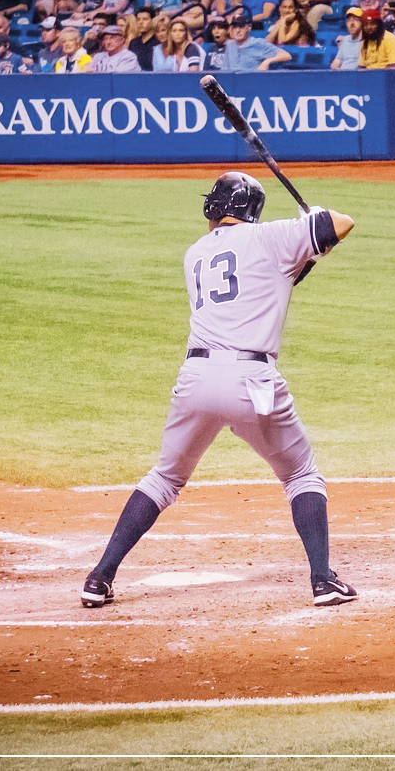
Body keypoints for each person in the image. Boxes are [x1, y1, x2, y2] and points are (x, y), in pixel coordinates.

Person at [81, 173, 359, 610]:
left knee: (165, 477)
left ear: (212, 209)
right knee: (301, 474)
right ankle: (323, 579)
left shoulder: (195, 253)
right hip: (252, 381)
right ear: (255, 212)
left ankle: (100, 577)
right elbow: (342, 223)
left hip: (195, 379)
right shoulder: (271, 238)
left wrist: (311, 242)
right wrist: (316, 220)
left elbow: (275, 280)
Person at [223, 10, 291, 70]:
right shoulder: (229, 45)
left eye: (241, 26)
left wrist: (267, 61)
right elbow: (225, 69)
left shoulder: (258, 43)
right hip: (232, 81)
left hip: (251, 80)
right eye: (235, 27)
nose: (238, 30)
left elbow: (286, 56)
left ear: (249, 28)